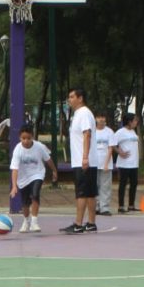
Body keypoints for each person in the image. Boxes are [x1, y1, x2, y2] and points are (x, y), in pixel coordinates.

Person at [60, 88, 98, 234]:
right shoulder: (78, 114)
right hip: (83, 160)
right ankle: (91, 223)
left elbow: (87, 134)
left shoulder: (84, 113)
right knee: (88, 193)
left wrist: (84, 157)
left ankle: (78, 224)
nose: (69, 99)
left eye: (72, 97)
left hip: (84, 160)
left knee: (82, 192)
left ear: (80, 98)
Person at [9, 125, 54, 233]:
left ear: (32, 137)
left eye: (28, 138)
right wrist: (14, 186)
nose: (26, 141)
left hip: (37, 174)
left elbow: (48, 159)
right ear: (20, 138)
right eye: (23, 138)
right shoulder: (18, 150)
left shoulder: (39, 147)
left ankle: (34, 222)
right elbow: (14, 169)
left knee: (35, 194)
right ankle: (26, 221)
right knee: (25, 203)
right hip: (23, 178)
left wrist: (54, 170)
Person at [114, 113, 140, 212]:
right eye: (135, 120)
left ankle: (131, 205)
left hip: (134, 163)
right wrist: (120, 152)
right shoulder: (120, 132)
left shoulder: (133, 131)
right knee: (123, 184)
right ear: (129, 122)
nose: (136, 122)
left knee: (134, 184)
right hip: (124, 164)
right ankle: (121, 206)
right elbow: (112, 144)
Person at [94, 113, 116, 216]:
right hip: (94, 163)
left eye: (103, 117)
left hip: (105, 163)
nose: (101, 119)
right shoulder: (92, 131)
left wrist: (106, 163)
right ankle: (96, 206)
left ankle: (104, 207)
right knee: (95, 186)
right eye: (99, 117)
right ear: (95, 119)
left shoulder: (109, 132)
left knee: (105, 186)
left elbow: (110, 148)